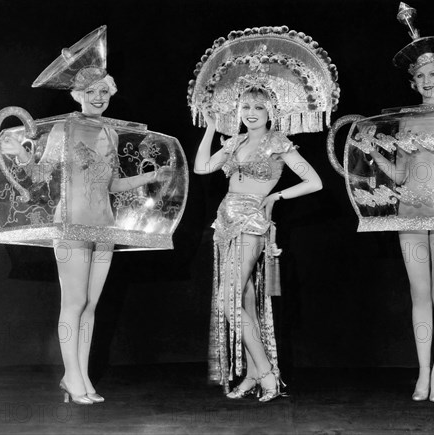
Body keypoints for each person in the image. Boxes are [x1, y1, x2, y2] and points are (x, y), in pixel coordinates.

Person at [0, 57, 172, 405]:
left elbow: (112, 184)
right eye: (91, 91)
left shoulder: (109, 131)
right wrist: (21, 154)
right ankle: (72, 377)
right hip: (71, 226)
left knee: (91, 304)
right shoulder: (64, 129)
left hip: (103, 226)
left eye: (104, 91)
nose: (98, 96)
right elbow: (39, 176)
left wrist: (152, 177)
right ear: (77, 95)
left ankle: (81, 376)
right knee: (74, 302)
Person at [188, 26, 339, 402]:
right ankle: (256, 373)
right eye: (246, 107)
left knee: (228, 301)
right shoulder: (235, 140)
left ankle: (267, 372)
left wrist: (275, 198)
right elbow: (202, 168)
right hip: (225, 222)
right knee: (239, 302)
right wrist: (211, 129)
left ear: (271, 110)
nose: (251, 113)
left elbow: (315, 182)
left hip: (252, 222)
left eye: (258, 107)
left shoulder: (277, 143)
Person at [363, 3, 434, 402]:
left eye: (432, 73)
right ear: (412, 83)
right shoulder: (406, 121)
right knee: (419, 295)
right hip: (409, 210)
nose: (426, 80)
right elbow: (398, 176)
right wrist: (373, 151)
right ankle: (422, 372)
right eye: (419, 76)